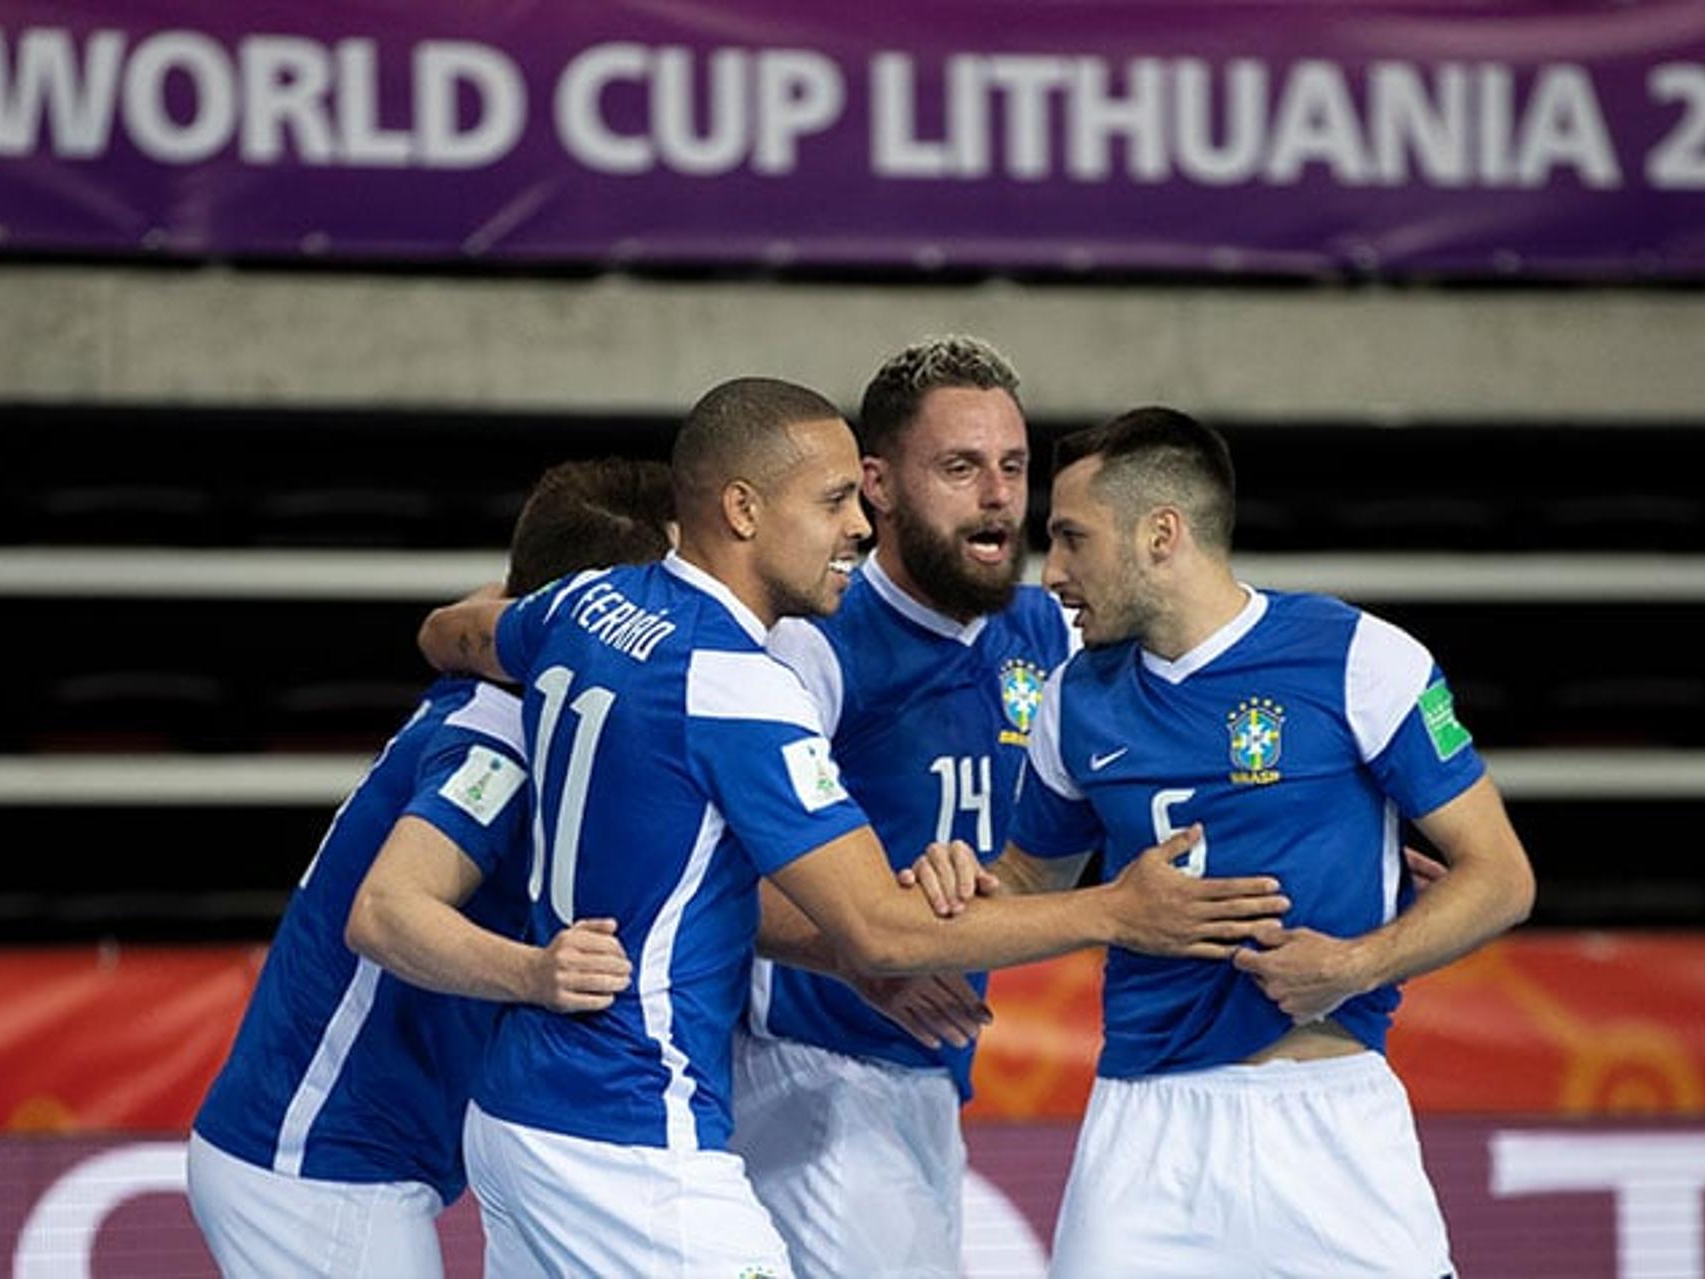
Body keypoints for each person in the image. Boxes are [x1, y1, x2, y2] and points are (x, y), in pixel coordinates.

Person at [412, 378, 1292, 1277]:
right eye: (835, 500)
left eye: (1014, 466)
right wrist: (1119, 911)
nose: (859, 526)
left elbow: (463, 635)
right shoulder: (742, 683)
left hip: (522, 1109)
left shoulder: (589, 604)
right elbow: (874, 926)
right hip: (642, 1115)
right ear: (744, 509)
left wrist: (443, 638)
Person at [938, 407, 1536, 1276]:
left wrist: (1359, 963)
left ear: (1161, 534)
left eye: (1072, 538)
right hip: (1147, 1126)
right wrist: (955, 889)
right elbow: (1033, 877)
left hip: (1330, 1115)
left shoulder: (1360, 657)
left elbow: (1503, 876)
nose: (1053, 572)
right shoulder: (1073, 699)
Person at [185, 457, 673, 1278]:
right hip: (322, 1167)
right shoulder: (504, 740)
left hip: (329, 1158)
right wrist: (539, 971)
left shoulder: (526, 680)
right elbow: (383, 913)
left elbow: (486, 603)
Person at [729, 336, 1076, 1278]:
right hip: (807, 1066)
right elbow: (716, 866)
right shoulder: (815, 643)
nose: (999, 494)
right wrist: (859, 954)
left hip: (928, 1069)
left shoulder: (1045, 631)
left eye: (1012, 465)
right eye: (960, 468)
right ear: (876, 484)